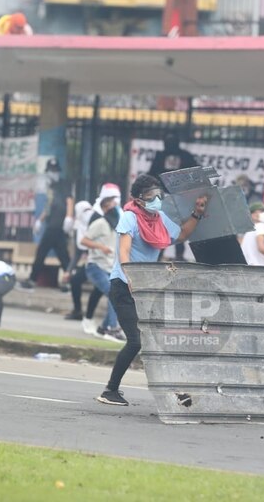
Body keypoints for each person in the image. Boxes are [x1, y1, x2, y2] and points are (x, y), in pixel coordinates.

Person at [96, 174, 209, 406]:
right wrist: (131, 278)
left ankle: (175, 391)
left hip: (146, 289)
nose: (157, 200)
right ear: (138, 200)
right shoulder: (129, 217)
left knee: (158, 341)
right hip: (124, 286)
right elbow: (124, 253)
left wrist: (197, 212)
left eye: (159, 195)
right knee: (136, 341)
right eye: (151, 196)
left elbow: (183, 234)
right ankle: (110, 390)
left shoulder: (160, 219)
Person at [20, 159, 74, 290]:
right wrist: (40, 220)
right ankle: (71, 283)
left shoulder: (63, 184)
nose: (53, 173)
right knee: (62, 255)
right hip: (52, 225)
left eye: (55, 171)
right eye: (51, 171)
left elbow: (70, 200)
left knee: (44, 253)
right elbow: (49, 207)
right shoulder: (51, 187)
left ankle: (32, 280)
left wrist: (69, 217)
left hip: (58, 225)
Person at [148, 133, 199, 261]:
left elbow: (196, 172)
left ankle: (179, 254)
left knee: (178, 225)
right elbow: (152, 174)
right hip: (164, 196)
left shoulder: (185, 156)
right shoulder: (161, 156)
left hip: (180, 196)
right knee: (164, 224)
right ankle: (160, 253)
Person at [81, 195, 125, 342]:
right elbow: (84, 240)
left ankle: (103, 328)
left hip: (109, 267)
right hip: (96, 266)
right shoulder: (99, 223)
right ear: (106, 207)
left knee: (116, 295)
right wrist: (101, 247)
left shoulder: (116, 224)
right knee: (113, 293)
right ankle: (112, 328)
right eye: (113, 204)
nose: (116, 207)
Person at [240, 201, 264, 266]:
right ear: (252, 215)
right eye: (262, 211)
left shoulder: (248, 233)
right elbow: (261, 247)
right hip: (258, 269)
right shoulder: (260, 226)